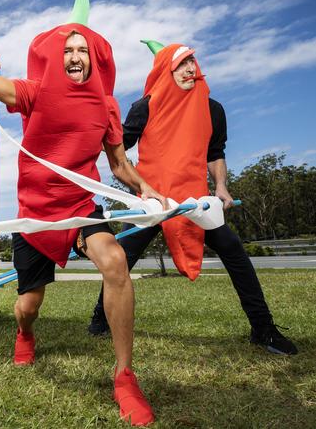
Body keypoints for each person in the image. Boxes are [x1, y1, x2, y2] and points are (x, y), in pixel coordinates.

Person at [0, 0, 167, 426]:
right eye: (66, 50)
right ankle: (25, 335)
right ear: (54, 56)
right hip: (35, 213)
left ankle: (125, 375)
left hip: (82, 206)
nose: (73, 56)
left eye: (81, 50)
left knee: (116, 262)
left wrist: (147, 190)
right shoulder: (35, 92)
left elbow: (121, 167)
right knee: (29, 305)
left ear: (95, 59)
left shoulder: (106, 106)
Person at [87, 40, 298, 356]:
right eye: (181, 63)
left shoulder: (212, 109)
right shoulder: (144, 106)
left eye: (192, 62)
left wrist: (221, 187)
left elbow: (215, 154)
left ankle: (263, 329)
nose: (190, 69)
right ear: (165, 70)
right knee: (121, 258)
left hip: (193, 201)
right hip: (154, 201)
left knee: (233, 250)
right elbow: (118, 149)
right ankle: (99, 321)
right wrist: (142, 187)